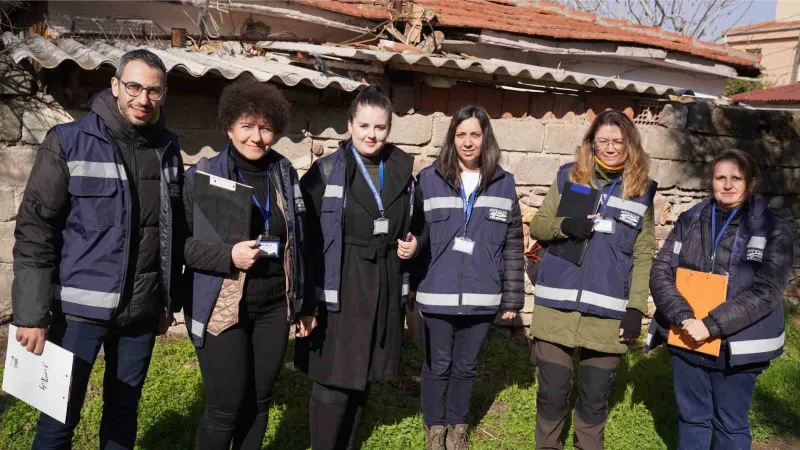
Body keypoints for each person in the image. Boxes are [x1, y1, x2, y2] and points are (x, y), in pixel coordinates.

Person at [11, 50, 183, 449]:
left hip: (140, 313)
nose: (143, 99)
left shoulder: (168, 149)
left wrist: (164, 302)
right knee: (57, 419)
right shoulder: (68, 142)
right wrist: (33, 314)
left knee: (123, 415)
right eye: (135, 87)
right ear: (116, 86)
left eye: (154, 91)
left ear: (164, 94)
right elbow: (36, 231)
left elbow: (172, 232)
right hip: (76, 315)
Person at [295, 87, 427, 450]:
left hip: (383, 281)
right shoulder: (325, 171)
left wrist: (416, 242)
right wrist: (305, 299)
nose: (372, 134)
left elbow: (419, 223)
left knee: (363, 373)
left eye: (380, 127)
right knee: (335, 376)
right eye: (364, 125)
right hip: (340, 280)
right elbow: (301, 235)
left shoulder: (402, 170)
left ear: (389, 128)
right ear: (349, 125)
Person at [181, 77, 308, 450]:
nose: (257, 137)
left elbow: (300, 240)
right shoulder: (203, 177)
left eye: (266, 128)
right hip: (222, 305)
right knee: (226, 405)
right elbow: (180, 247)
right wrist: (228, 256)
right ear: (229, 127)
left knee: (260, 400)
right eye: (247, 126)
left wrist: (300, 301)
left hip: (272, 306)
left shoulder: (284, 173)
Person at [647, 149, 792, 450]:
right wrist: (684, 317)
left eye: (736, 178)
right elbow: (661, 270)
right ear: (710, 181)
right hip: (686, 334)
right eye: (720, 177)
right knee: (692, 419)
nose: (727, 185)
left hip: (736, 345)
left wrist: (711, 325)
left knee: (730, 425)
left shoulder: (773, 229)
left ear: (751, 183)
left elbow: (766, 291)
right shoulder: (690, 219)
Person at [528, 110, 656, 450]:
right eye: (603, 141)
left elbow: (643, 256)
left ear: (630, 145)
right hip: (556, 306)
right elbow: (538, 226)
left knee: (594, 399)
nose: (611, 148)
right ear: (591, 143)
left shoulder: (642, 192)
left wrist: (635, 309)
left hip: (608, 314)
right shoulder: (569, 177)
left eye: (618, 141)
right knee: (552, 395)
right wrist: (564, 225)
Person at [414, 106, 524, 450]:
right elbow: (413, 235)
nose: (468, 141)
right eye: (461, 134)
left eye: (475, 134)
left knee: (465, 367)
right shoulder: (429, 179)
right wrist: (408, 288)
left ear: (485, 137)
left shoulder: (504, 184)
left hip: (482, 296)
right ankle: (435, 428)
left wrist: (512, 297)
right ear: (452, 138)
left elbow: (513, 243)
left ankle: (458, 426)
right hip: (436, 294)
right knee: (437, 365)